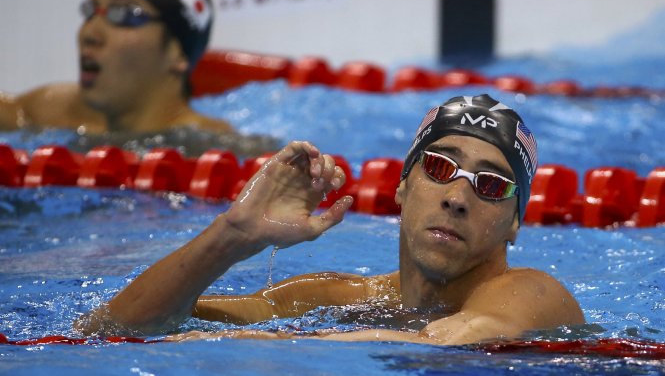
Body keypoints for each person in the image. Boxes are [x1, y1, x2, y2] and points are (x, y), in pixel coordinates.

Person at [75, 94, 585, 345]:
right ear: (402, 185)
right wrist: (230, 237)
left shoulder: (535, 294)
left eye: (491, 185)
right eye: (439, 167)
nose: (456, 198)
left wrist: (274, 343)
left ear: (514, 222)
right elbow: (111, 329)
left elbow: (449, 345)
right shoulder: (339, 299)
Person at [0, 0, 233, 134]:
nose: (89, 33)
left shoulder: (212, 148)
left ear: (177, 53)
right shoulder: (56, 112)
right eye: (91, 10)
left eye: (123, 14)